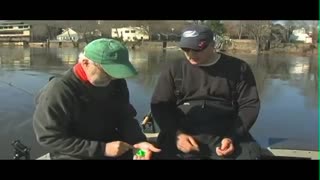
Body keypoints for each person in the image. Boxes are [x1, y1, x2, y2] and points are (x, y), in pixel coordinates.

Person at [33, 38, 160, 160]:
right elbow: (49, 137)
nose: (112, 78)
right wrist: (103, 149)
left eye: (116, 73)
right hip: (75, 153)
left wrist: (138, 142)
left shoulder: (117, 81)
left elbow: (125, 117)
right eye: (107, 72)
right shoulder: (58, 90)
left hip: (111, 146)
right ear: (85, 63)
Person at [150, 25, 261, 160]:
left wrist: (232, 136)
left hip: (227, 130)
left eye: (197, 49)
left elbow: (249, 105)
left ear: (212, 45)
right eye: (185, 49)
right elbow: (160, 106)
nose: (191, 54)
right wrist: (177, 135)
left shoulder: (239, 68)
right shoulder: (174, 69)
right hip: (182, 131)